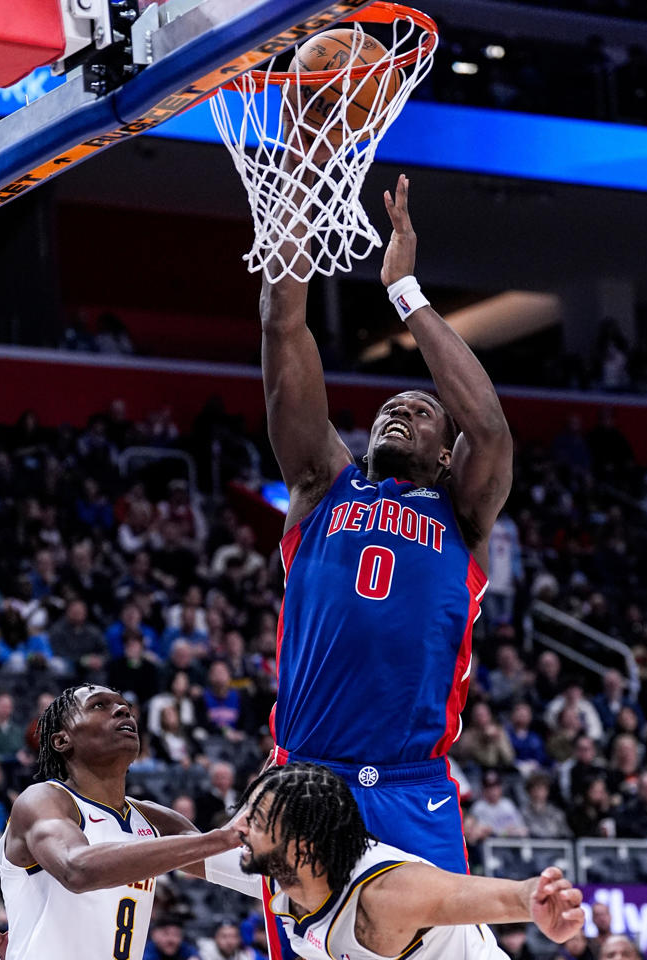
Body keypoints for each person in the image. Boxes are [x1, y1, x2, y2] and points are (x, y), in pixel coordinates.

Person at [260, 172, 513, 877]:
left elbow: (489, 426)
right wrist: (302, 179)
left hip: (413, 791)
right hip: (305, 779)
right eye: (387, 408)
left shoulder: (460, 511)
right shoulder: (322, 485)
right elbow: (283, 324)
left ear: (443, 452)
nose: (399, 410)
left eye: (422, 410)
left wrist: (406, 292)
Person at [197, 763, 583, 960]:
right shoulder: (282, 870)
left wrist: (532, 898)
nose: (240, 828)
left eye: (257, 820)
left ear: (303, 848)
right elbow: (186, 850)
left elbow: (478, 896)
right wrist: (135, 812)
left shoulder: (385, 896)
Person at [0, 683, 244, 960]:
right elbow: (77, 869)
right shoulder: (42, 800)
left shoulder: (154, 819)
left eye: (124, 706)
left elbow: (245, 869)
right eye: (99, 705)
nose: (123, 710)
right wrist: (218, 838)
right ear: (62, 740)